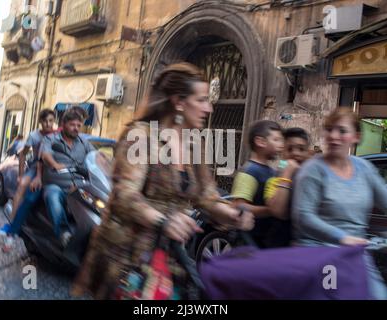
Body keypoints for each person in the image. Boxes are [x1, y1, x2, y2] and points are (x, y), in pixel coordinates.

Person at [71, 62, 254, 300]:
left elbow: (206, 196)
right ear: (178, 102)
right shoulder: (141, 134)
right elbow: (125, 195)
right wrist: (164, 221)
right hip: (127, 255)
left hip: (167, 256)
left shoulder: (194, 143)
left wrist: (231, 215)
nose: (209, 108)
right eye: (201, 100)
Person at [292, 107, 387, 300]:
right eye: (329, 129)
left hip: (355, 253)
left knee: (378, 296)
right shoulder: (313, 170)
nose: (334, 136)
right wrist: (341, 237)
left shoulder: (364, 169)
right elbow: (303, 216)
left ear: (356, 136)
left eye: (342, 131)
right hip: (319, 252)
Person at [0, 110, 56, 251]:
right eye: (45, 121)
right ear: (40, 122)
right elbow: (23, 154)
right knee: (23, 186)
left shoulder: (57, 135)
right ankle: (11, 223)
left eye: (51, 121)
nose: (48, 124)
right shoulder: (34, 136)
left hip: (51, 170)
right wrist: (21, 174)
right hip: (36, 167)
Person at [40, 108, 95, 245]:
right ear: (63, 124)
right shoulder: (51, 139)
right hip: (57, 185)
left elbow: (96, 158)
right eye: (72, 125)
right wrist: (54, 164)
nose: (76, 128)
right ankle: (64, 233)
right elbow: (45, 154)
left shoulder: (84, 143)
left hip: (79, 186)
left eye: (78, 125)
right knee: (53, 194)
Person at [230, 120, 286, 248]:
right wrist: (271, 211)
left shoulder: (272, 170)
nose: (281, 145)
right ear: (260, 141)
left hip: (266, 240)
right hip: (250, 241)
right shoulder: (249, 171)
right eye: (276, 140)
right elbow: (239, 206)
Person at [263, 127, 311, 247]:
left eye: (301, 149)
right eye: (289, 149)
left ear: (308, 153)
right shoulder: (274, 180)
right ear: (282, 154)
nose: (295, 153)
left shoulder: (314, 180)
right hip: (279, 248)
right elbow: (279, 212)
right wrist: (287, 174)